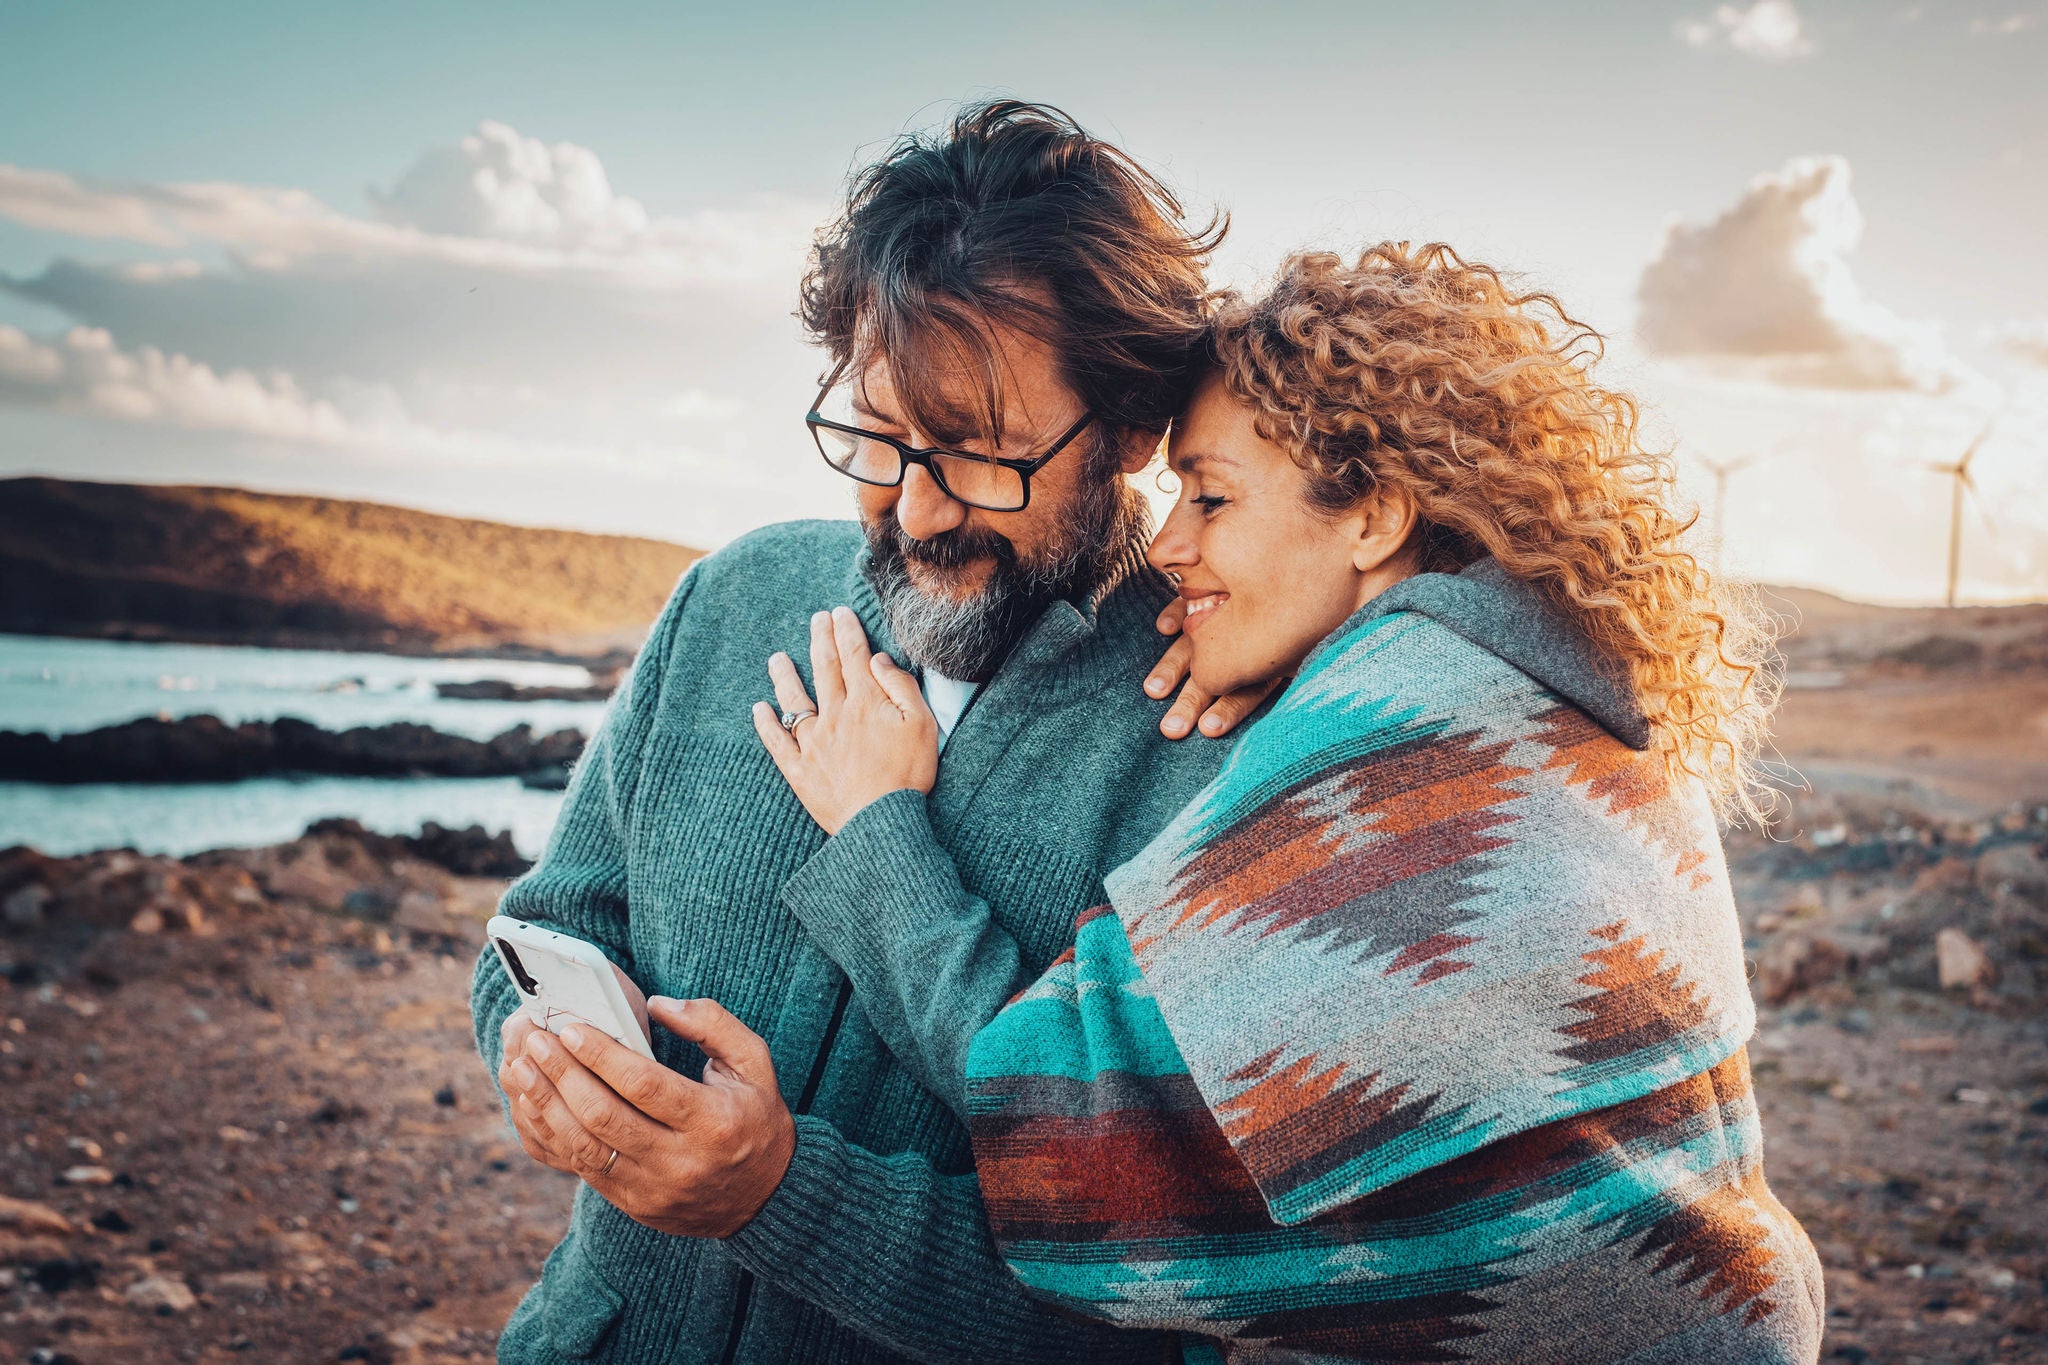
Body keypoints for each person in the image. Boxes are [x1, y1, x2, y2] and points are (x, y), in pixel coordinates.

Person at [738, 244, 1826, 1361]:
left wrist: (879, 835)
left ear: (1372, 519)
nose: (1163, 549)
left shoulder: (1396, 735)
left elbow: (1072, 1133)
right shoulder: (1560, 703)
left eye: (1208, 498)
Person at [474, 101, 1271, 1363]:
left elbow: (1152, 1308)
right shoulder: (729, 599)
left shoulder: (1222, 732)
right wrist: (542, 1055)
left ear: (1127, 429)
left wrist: (779, 1199)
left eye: (978, 454)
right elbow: (548, 926)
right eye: (876, 436)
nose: (913, 508)